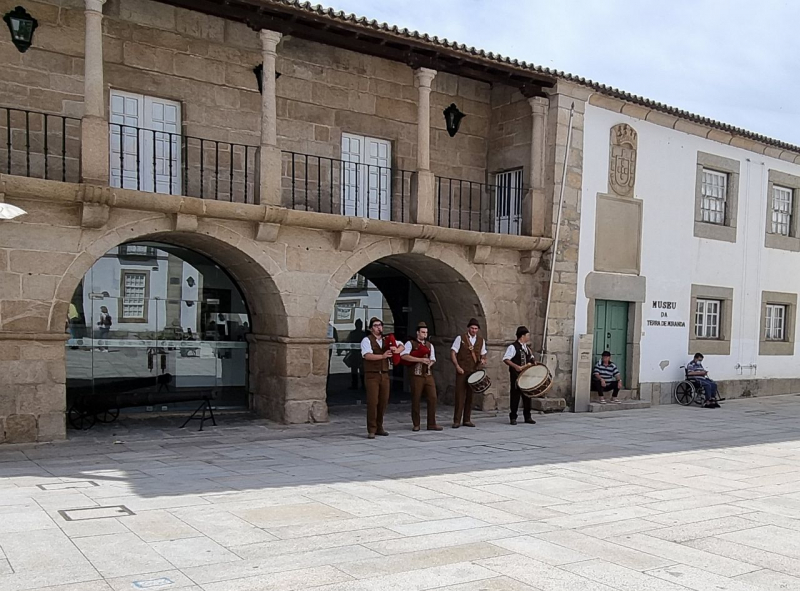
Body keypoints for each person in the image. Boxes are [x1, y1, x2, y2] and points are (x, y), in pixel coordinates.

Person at [361, 316, 404, 439]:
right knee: (373, 402)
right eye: (375, 325)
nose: (378, 328)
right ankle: (371, 429)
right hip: (372, 375)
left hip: (384, 374)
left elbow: (402, 346)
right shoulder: (367, 340)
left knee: (383, 401)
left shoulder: (387, 339)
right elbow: (367, 355)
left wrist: (396, 350)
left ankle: (380, 426)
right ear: (370, 328)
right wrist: (383, 356)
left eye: (380, 325)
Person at [401, 322, 443, 432]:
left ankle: (431, 423)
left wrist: (429, 363)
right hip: (416, 375)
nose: (424, 334)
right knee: (416, 398)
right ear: (417, 333)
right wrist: (419, 360)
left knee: (433, 397)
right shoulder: (410, 343)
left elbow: (433, 358)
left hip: (428, 374)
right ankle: (416, 423)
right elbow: (404, 356)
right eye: (423, 332)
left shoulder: (429, 345)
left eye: (426, 332)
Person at [450, 318, 487, 428]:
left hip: (474, 371)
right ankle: (456, 420)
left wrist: (484, 360)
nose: (474, 330)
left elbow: (483, 354)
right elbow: (453, 353)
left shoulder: (481, 340)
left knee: (470, 396)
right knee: (460, 395)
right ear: (468, 328)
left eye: (476, 328)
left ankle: (467, 419)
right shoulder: (460, 338)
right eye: (472, 328)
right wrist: (457, 366)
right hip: (462, 370)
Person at [503, 326, 536, 425]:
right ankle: (513, 417)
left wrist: (534, 362)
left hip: (526, 376)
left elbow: (531, 357)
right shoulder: (513, 347)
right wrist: (516, 366)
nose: (529, 337)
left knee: (527, 396)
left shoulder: (527, 348)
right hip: (516, 376)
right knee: (515, 396)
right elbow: (506, 359)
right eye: (527, 335)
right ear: (522, 336)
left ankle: (527, 416)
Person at [345, 318, 366, 389]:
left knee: (361, 370)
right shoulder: (359, 334)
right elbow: (349, 342)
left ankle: (361, 384)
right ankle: (356, 384)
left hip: (360, 354)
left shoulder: (362, 334)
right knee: (355, 370)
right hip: (355, 354)